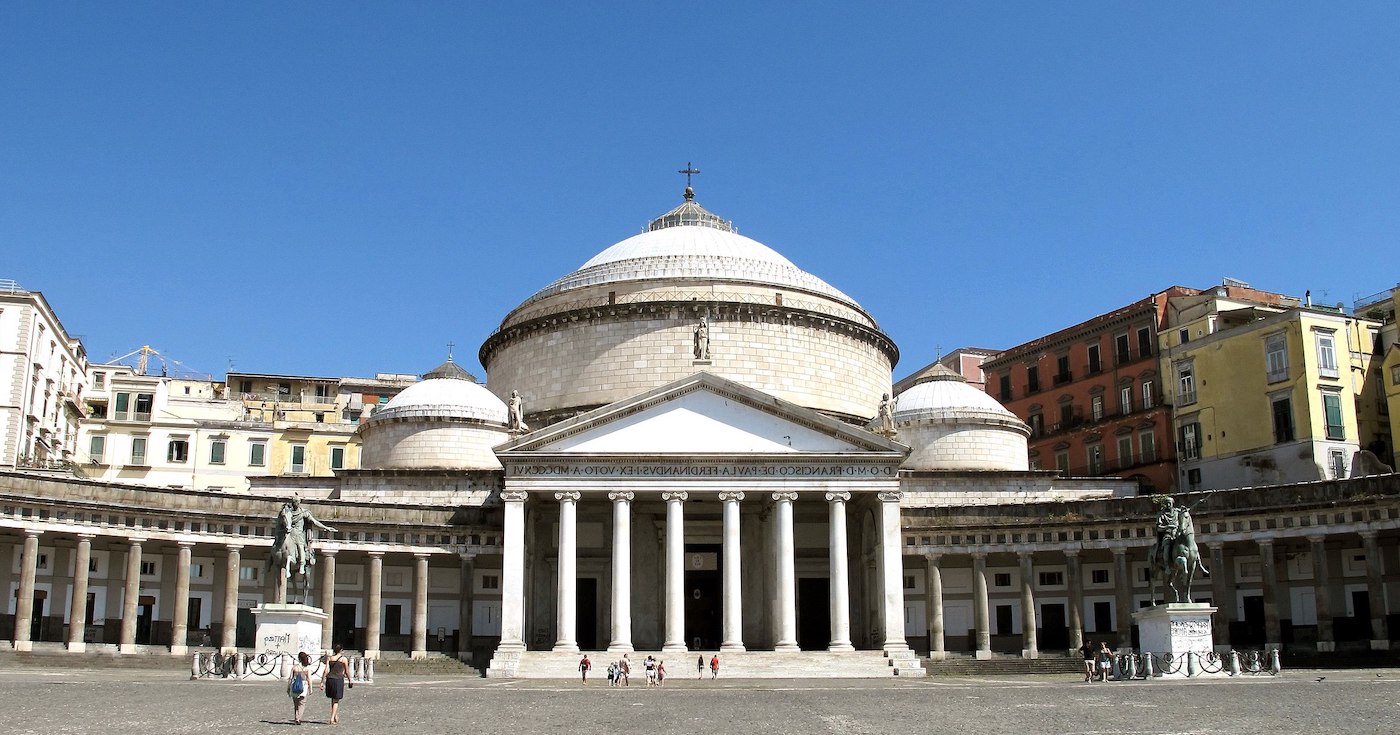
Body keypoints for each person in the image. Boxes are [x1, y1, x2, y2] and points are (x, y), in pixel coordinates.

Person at [320, 643, 353, 725]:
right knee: (336, 700)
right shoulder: (343, 659)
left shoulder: (330, 658)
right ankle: (331, 718)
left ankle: (335, 715)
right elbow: (347, 671)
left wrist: (322, 681)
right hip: (338, 680)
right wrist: (350, 680)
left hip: (330, 679)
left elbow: (326, 670)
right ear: (341, 650)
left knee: (333, 699)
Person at [287, 651, 312, 725]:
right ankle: (299, 718)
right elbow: (309, 679)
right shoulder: (307, 668)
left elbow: (290, 678)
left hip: (294, 686)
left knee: (296, 704)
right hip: (303, 686)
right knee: (302, 703)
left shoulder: (295, 667)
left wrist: (288, 688)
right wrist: (310, 688)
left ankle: (296, 717)